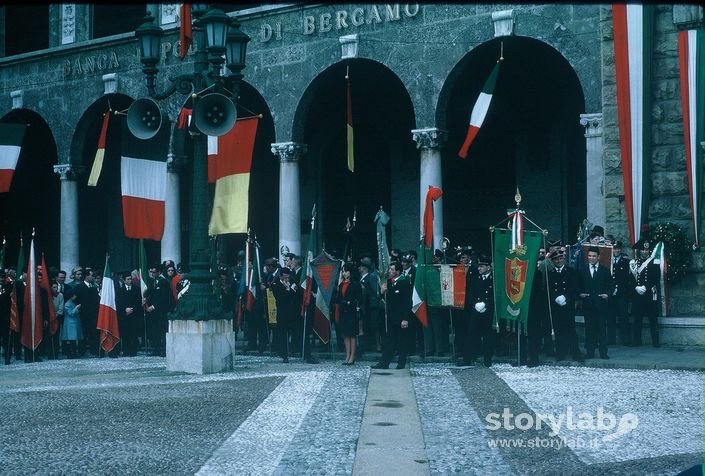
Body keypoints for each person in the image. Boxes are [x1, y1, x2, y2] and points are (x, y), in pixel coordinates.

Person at [372, 262, 413, 370]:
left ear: (397, 271)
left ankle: (401, 362)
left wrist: (405, 318)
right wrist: (382, 291)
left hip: (401, 317)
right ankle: (384, 362)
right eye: (389, 269)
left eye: (391, 269)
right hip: (391, 316)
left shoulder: (404, 282)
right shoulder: (389, 282)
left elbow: (407, 302)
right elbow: (385, 298)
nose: (389, 271)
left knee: (402, 341)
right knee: (389, 341)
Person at [546, 249, 584, 363]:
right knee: (558, 330)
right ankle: (560, 353)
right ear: (553, 261)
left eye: (560, 258)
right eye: (556, 259)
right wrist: (555, 298)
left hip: (568, 305)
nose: (558, 261)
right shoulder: (550, 273)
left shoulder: (571, 271)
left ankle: (575, 353)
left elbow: (574, 288)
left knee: (570, 329)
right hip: (556, 306)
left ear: (564, 259)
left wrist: (566, 298)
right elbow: (548, 290)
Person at [459, 254, 495, 367]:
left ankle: (487, 359)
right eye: (479, 266)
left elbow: (496, 295)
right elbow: (470, 293)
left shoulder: (494, 279)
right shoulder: (476, 278)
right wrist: (475, 304)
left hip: (488, 312)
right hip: (476, 311)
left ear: (488, 267)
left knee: (488, 337)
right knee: (471, 335)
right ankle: (468, 358)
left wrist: (486, 304)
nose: (479, 268)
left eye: (482, 266)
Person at [579, 246, 613, 359]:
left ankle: (603, 352)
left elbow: (611, 285)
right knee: (589, 328)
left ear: (598, 257)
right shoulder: (582, 270)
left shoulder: (604, 270)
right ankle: (590, 351)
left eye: (594, 256)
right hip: (588, 304)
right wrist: (580, 294)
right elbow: (577, 284)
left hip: (601, 304)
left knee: (601, 328)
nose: (591, 258)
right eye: (589, 256)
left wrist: (607, 294)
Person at [630, 238, 660, 347]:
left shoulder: (655, 261)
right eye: (642, 250)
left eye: (646, 250)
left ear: (649, 251)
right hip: (637, 294)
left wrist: (645, 287)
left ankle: (655, 341)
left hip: (650, 293)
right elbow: (630, 279)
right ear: (639, 250)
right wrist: (636, 287)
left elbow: (656, 278)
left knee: (653, 318)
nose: (644, 252)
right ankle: (637, 340)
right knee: (637, 318)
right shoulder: (633, 262)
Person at [334, 263, 362, 365]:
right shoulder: (341, 284)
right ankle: (347, 355)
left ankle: (352, 356)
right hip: (343, 312)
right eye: (343, 271)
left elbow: (359, 299)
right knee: (345, 334)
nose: (344, 273)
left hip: (352, 312)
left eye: (346, 271)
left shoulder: (356, 284)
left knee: (352, 334)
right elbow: (338, 298)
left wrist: (350, 303)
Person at [271, 267, 300, 363]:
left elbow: (295, 297)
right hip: (282, 313)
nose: (286, 279)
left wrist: (293, 290)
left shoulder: (291, 282)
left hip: (292, 312)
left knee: (294, 332)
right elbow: (281, 299)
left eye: (288, 277)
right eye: (285, 278)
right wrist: (290, 290)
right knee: (283, 334)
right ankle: (284, 354)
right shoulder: (276, 285)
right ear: (281, 276)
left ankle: (294, 350)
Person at [144, 264, 170, 356]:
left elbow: (163, 298)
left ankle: (163, 350)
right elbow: (150, 293)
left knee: (162, 330)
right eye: (151, 272)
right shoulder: (153, 281)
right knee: (154, 330)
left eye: (154, 272)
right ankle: (156, 349)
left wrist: (153, 306)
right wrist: (145, 298)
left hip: (161, 311)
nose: (152, 274)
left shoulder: (164, 282)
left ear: (159, 272)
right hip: (153, 312)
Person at [609, 241, 631, 345]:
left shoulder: (625, 261)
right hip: (610, 293)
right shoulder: (608, 260)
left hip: (622, 293)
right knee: (610, 316)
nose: (616, 250)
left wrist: (620, 288)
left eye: (618, 248)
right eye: (614, 248)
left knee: (623, 316)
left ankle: (626, 339)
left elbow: (627, 278)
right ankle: (611, 339)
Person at [117, 274, 142, 357]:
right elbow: (118, 302)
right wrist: (125, 309)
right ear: (124, 280)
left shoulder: (137, 289)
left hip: (134, 314)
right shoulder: (120, 290)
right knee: (125, 333)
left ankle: (133, 351)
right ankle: (125, 350)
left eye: (130, 279)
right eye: (127, 279)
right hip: (124, 315)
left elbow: (138, 301)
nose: (130, 281)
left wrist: (132, 309)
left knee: (133, 333)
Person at [61, 289, 83, 359]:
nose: (75, 296)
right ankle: (71, 353)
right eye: (74, 295)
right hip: (70, 323)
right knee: (71, 339)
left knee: (73, 339)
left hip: (73, 323)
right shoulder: (67, 304)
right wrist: (76, 308)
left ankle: (73, 353)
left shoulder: (72, 303)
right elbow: (71, 313)